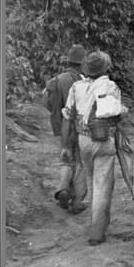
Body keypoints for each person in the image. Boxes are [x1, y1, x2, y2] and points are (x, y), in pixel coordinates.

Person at [61, 50, 125, 246]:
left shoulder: (76, 87)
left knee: (91, 181)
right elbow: (114, 114)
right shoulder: (110, 86)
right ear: (105, 68)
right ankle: (97, 232)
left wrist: (65, 146)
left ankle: (96, 223)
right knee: (102, 186)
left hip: (83, 140)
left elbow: (68, 117)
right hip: (103, 140)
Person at [42, 44, 87, 213]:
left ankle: (63, 190)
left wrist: (58, 116)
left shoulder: (56, 80)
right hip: (79, 127)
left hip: (61, 127)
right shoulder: (82, 82)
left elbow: (45, 101)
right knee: (80, 163)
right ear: (82, 63)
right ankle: (77, 202)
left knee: (66, 160)